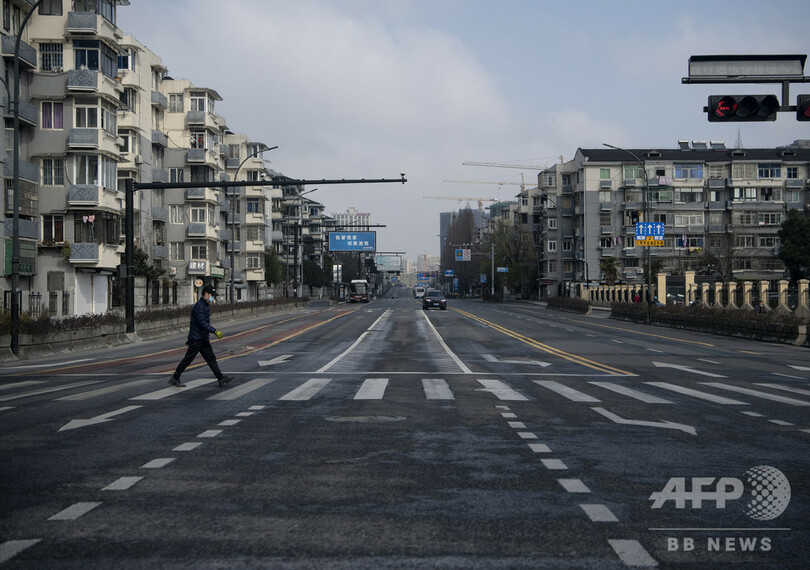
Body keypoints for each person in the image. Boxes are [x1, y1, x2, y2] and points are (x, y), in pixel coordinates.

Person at [169, 284, 234, 388]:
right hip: (196, 338)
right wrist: (215, 331)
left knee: (211, 359)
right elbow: (202, 322)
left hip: (203, 338)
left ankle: (221, 378)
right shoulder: (199, 306)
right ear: (206, 294)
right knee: (188, 359)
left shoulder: (205, 305)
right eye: (212, 295)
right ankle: (175, 378)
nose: (213, 297)